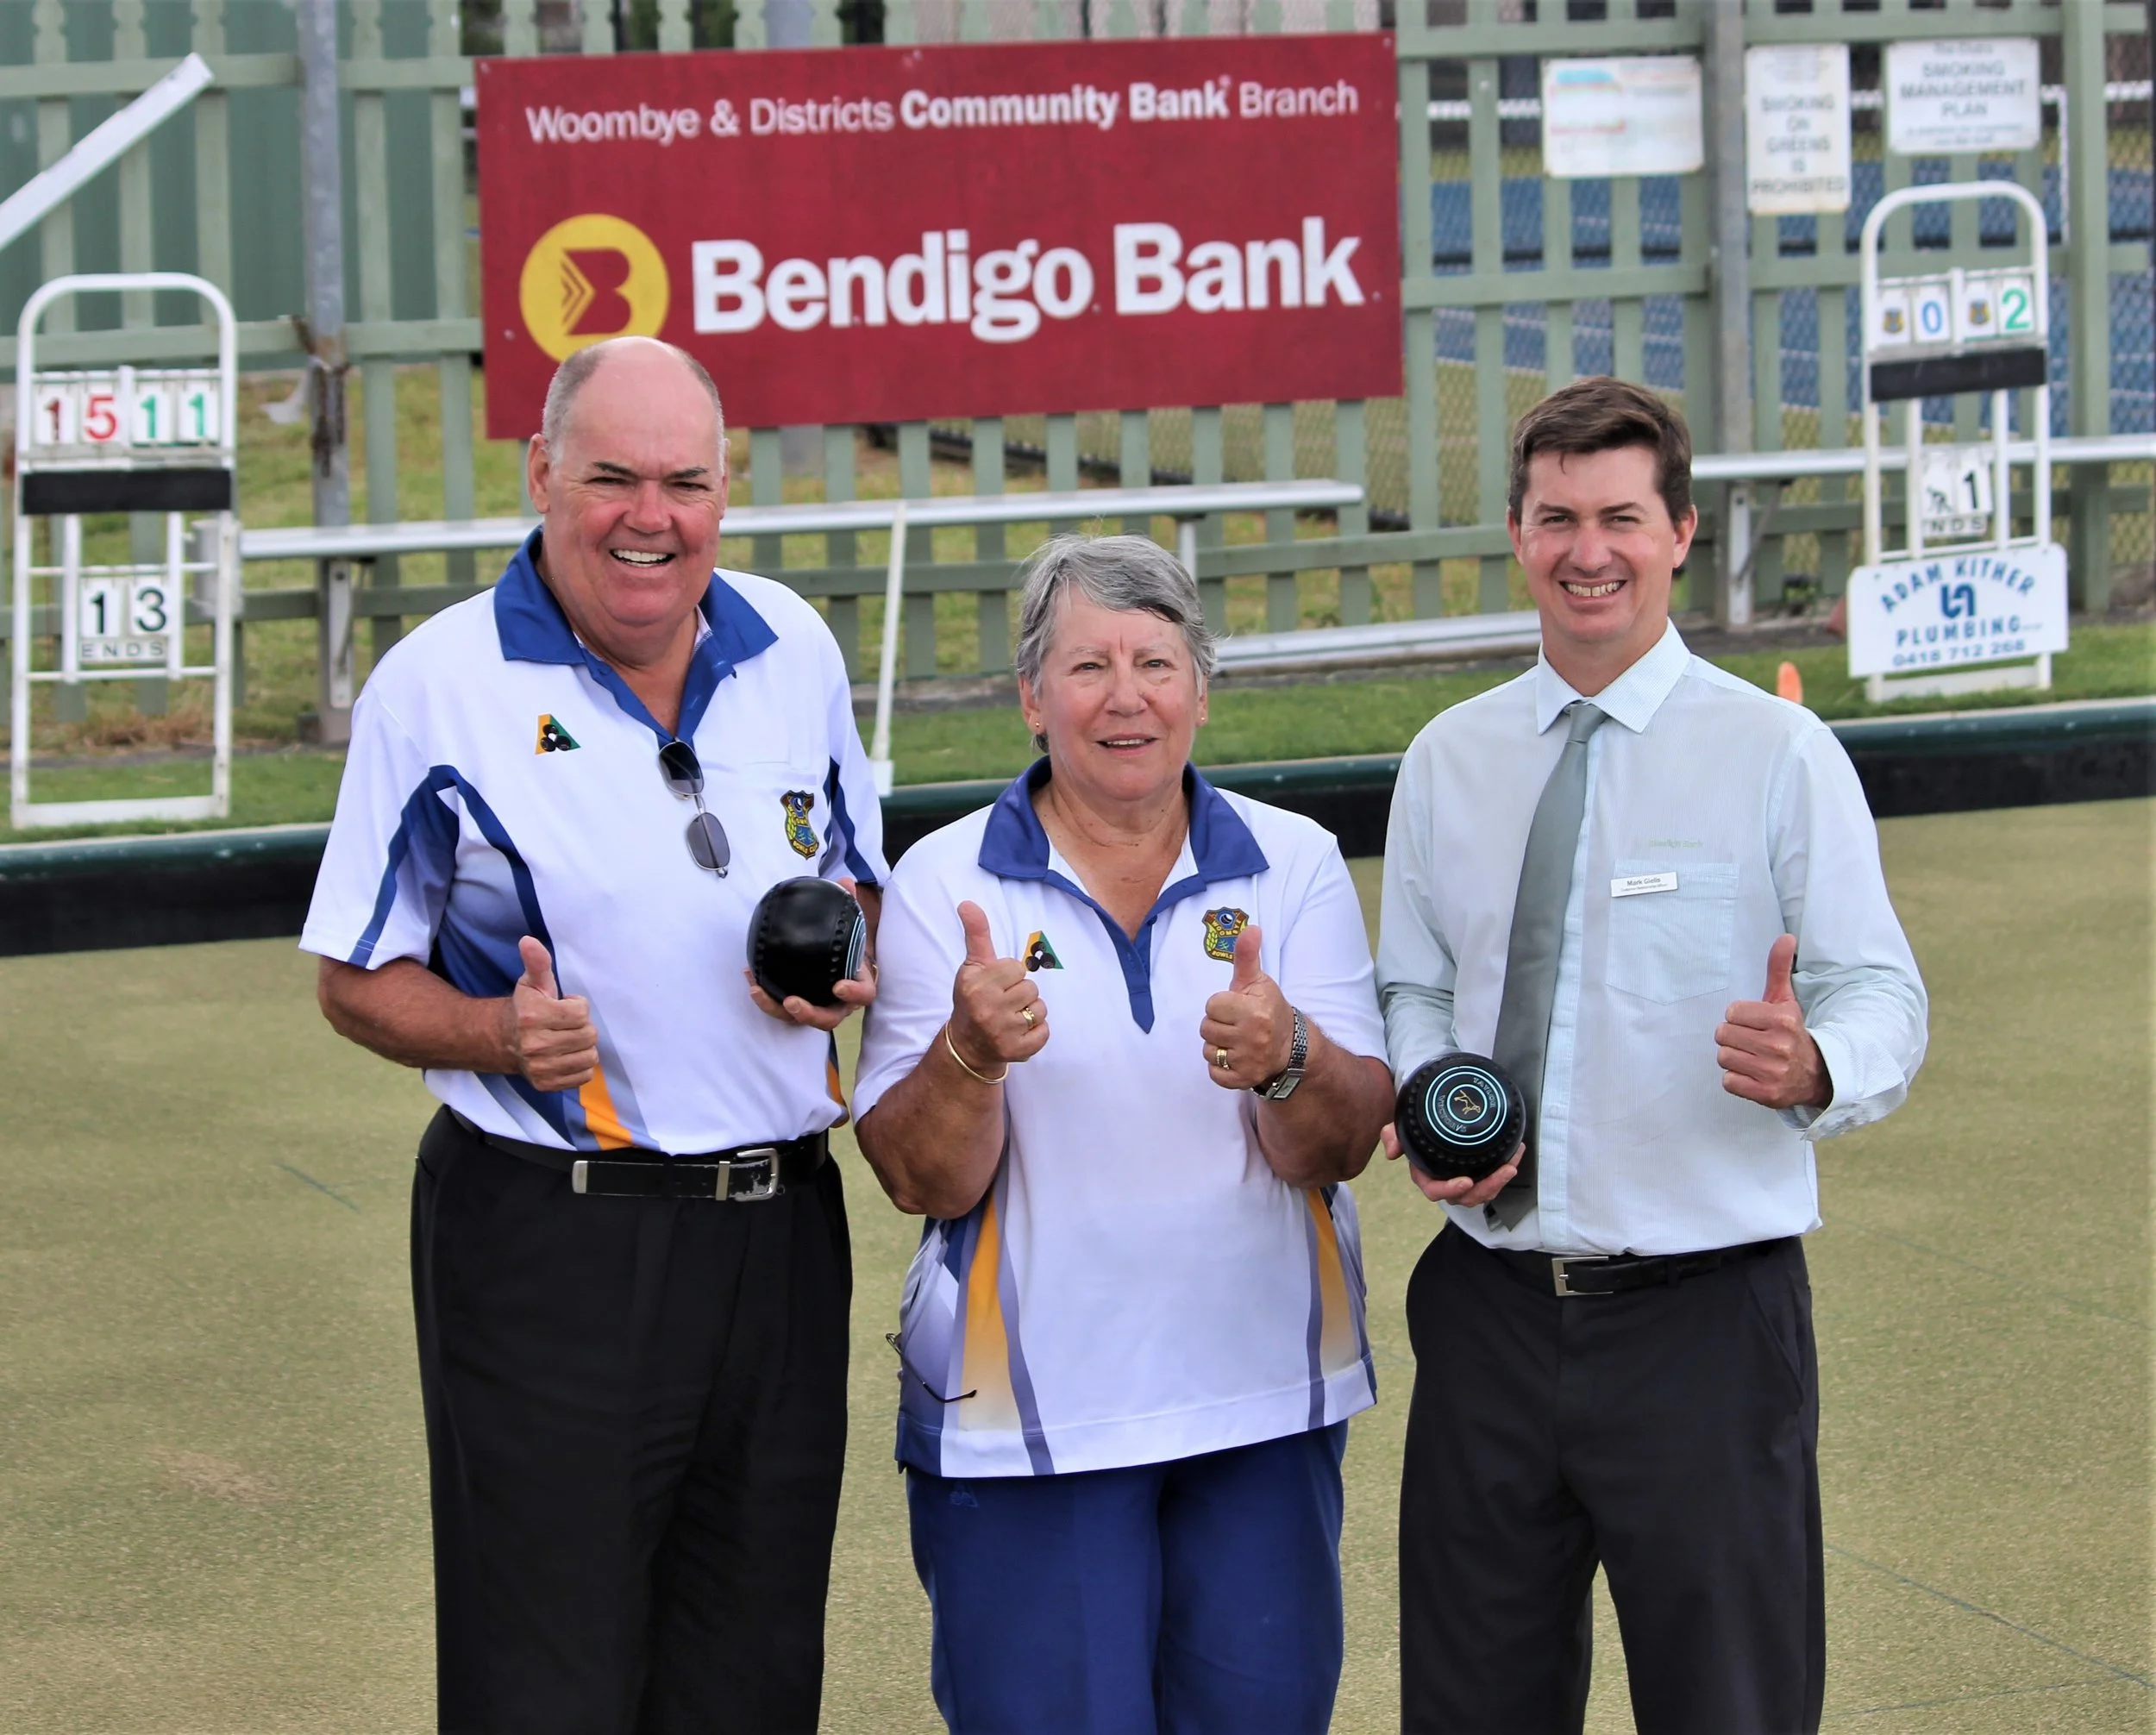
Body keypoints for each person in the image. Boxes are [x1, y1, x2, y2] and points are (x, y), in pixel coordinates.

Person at [301, 336, 884, 1734]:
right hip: (551, 1243)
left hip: (780, 1237)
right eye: (613, 477)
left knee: (752, 1675)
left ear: (726, 490)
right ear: (541, 474)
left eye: (685, 482)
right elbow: (354, 977)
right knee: (545, 1684)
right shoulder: (438, 687)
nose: (650, 518)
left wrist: (839, 963)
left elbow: (857, 881)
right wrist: (497, 1033)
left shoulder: (793, 647)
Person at [1377, 376, 1929, 1735]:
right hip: (1490, 1313)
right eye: (1558, 518)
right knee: (1471, 1708)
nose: (1590, 551)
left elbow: (1881, 992)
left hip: (1706, 1323)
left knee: (1730, 1708)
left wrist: (1816, 1063)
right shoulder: (1449, 759)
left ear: (1679, 531)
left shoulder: (1778, 752)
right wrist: (1430, 1087)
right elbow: (1415, 985)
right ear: (1519, 534)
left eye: (1621, 517)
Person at [853, 534, 1394, 1734]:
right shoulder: (942, 881)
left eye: (1156, 662)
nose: (1126, 697)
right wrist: (969, 1054)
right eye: (1088, 666)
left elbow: (1338, 1144)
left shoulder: (1295, 862)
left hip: (1265, 1399)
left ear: (1200, 688)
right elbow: (921, 1178)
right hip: (1023, 1425)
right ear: (1031, 696)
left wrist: (1290, 1058)